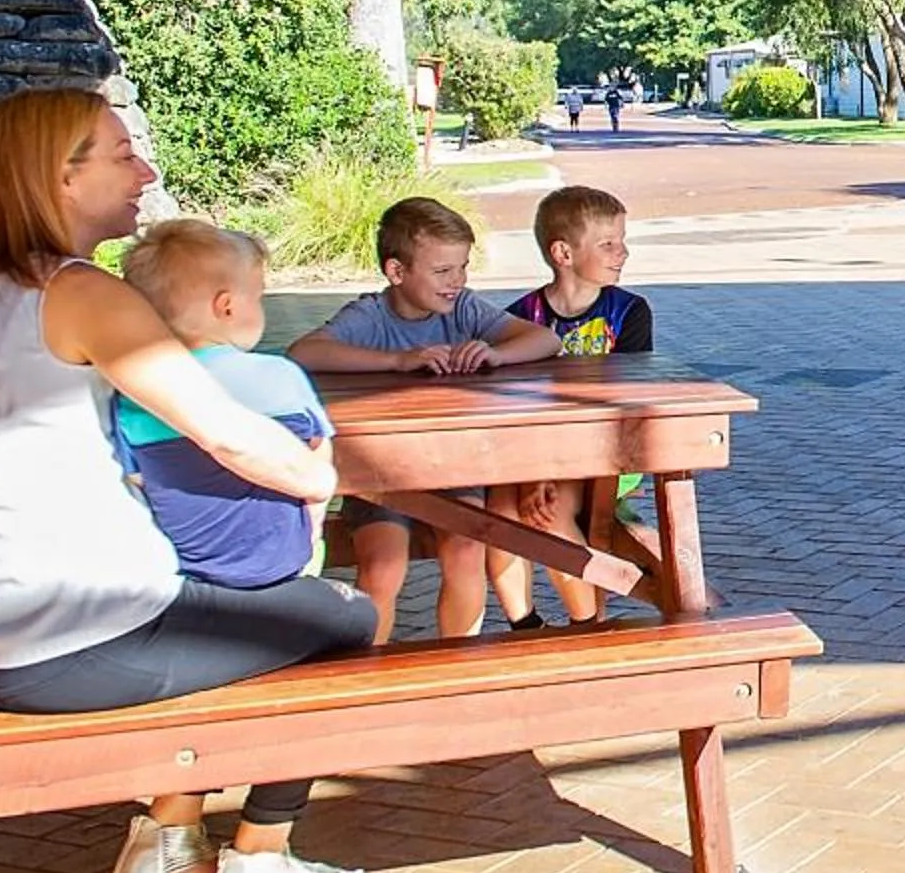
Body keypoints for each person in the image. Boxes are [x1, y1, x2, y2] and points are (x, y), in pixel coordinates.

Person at [0, 89, 377, 873]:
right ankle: (260, 860)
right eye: (120, 153)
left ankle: (168, 843)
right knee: (345, 618)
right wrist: (322, 480)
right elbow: (231, 437)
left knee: (243, 616)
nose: (145, 170)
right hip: (76, 636)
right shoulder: (81, 294)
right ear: (60, 179)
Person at [286, 198, 560, 641]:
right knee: (383, 566)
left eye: (463, 268)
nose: (457, 281)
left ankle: (457, 661)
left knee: (468, 548)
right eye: (443, 271)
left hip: (456, 467)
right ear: (397, 272)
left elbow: (543, 339)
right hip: (382, 473)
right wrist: (397, 360)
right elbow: (304, 352)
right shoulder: (370, 315)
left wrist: (495, 352)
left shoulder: (466, 309)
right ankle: (367, 671)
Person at [115, 221, 335, 587]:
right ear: (227, 307)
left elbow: (135, 479)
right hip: (285, 564)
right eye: (259, 296)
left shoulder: (135, 390)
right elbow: (318, 453)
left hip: (189, 574)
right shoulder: (281, 375)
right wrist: (313, 528)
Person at [488, 185, 654, 629]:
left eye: (622, 240)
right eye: (608, 244)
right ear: (562, 252)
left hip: (604, 450)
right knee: (498, 512)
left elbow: (620, 398)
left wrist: (545, 467)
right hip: (533, 449)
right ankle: (525, 625)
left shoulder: (630, 313)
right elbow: (513, 406)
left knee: (549, 512)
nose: (624, 252)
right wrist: (534, 466)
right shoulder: (518, 319)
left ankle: (587, 626)